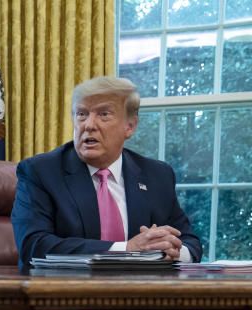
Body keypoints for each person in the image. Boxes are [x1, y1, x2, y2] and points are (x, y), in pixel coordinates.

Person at [11, 76, 202, 265]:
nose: (89, 125)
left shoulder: (157, 175)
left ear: (130, 126)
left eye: (103, 114)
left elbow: (191, 244)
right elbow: (33, 245)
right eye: (81, 114)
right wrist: (126, 250)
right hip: (67, 292)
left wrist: (171, 250)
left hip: (141, 292)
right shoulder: (41, 172)